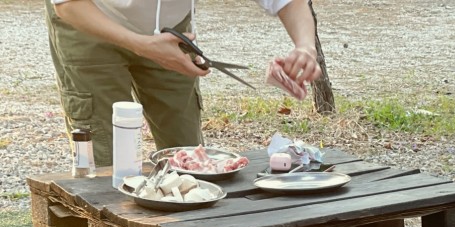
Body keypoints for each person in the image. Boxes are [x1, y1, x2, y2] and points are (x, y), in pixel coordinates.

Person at [45, 0, 323, 167]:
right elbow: (68, 4)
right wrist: (142, 46)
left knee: (187, 153)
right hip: (91, 18)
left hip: (170, 29)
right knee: (105, 155)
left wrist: (305, 47)